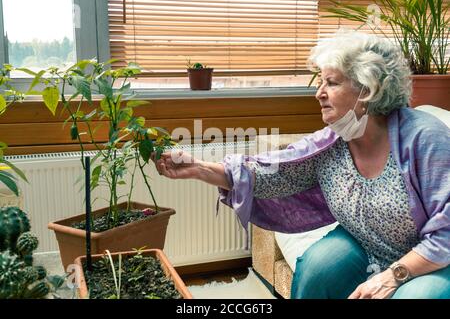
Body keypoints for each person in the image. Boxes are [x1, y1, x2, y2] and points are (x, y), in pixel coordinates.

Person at [153, 31, 450, 299]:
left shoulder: (426, 138)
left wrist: (392, 276)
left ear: (367, 90)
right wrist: (199, 169)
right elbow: (273, 173)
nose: (318, 93)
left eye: (331, 83)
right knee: (319, 266)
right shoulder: (332, 142)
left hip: (436, 259)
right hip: (368, 246)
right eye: (321, 81)